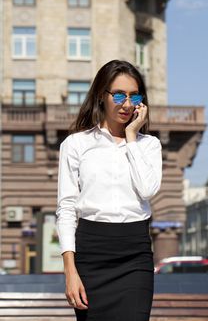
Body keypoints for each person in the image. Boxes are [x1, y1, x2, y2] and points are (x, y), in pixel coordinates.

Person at [56, 59, 163, 321]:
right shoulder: (76, 145)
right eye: (118, 95)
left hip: (134, 252)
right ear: (101, 96)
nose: (127, 104)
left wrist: (131, 136)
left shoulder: (149, 145)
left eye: (134, 96)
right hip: (91, 251)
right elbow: (67, 209)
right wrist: (70, 272)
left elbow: (148, 189)